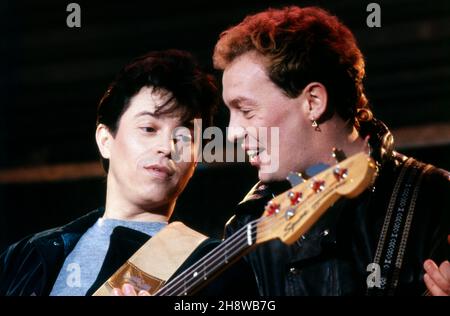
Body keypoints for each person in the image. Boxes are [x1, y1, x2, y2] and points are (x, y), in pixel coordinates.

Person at [213, 6, 450, 295]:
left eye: (246, 111)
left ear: (312, 101)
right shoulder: (247, 224)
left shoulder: (435, 199)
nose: (232, 133)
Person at [0, 49, 257, 296]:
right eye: (148, 128)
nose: (167, 147)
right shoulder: (26, 256)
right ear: (105, 140)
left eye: (184, 136)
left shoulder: (215, 268)